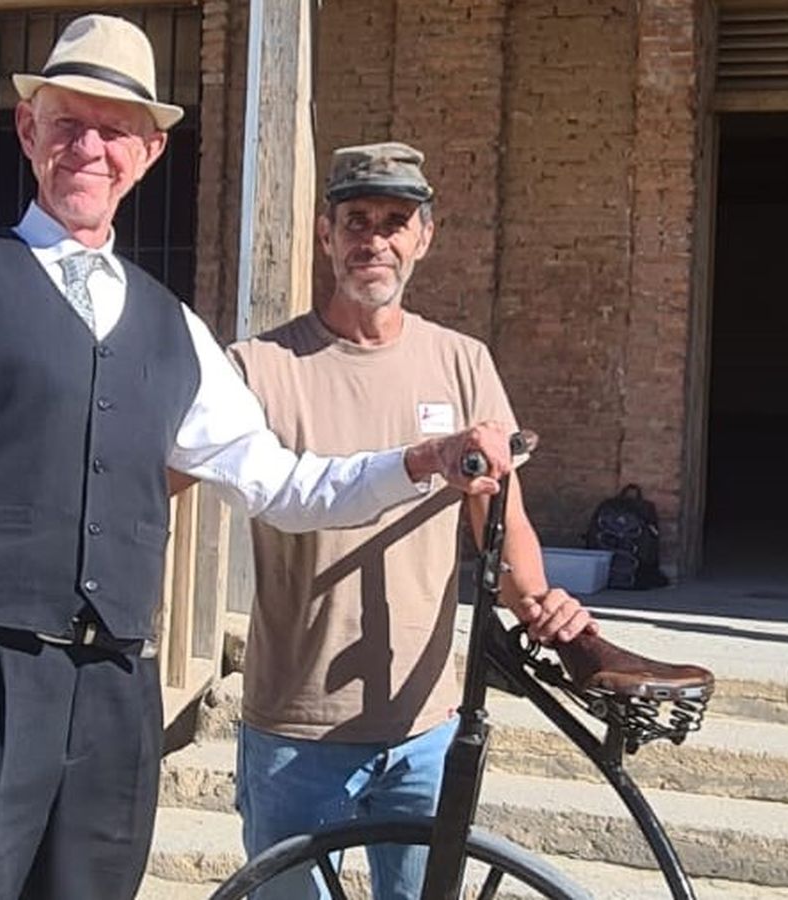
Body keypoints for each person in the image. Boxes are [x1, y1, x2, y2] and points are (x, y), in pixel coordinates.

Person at [0, 20, 514, 900]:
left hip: (111, 702)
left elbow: (285, 485)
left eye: (115, 131)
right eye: (68, 122)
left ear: (146, 153)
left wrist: (421, 460)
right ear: (29, 133)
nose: (90, 148)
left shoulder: (174, 329)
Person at [227, 142, 701, 899]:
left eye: (394, 222)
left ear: (424, 237)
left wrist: (544, 604)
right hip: (296, 726)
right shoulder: (260, 366)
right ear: (326, 235)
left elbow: (498, 517)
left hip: (424, 724)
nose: (373, 241)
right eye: (355, 221)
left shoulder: (461, 363)